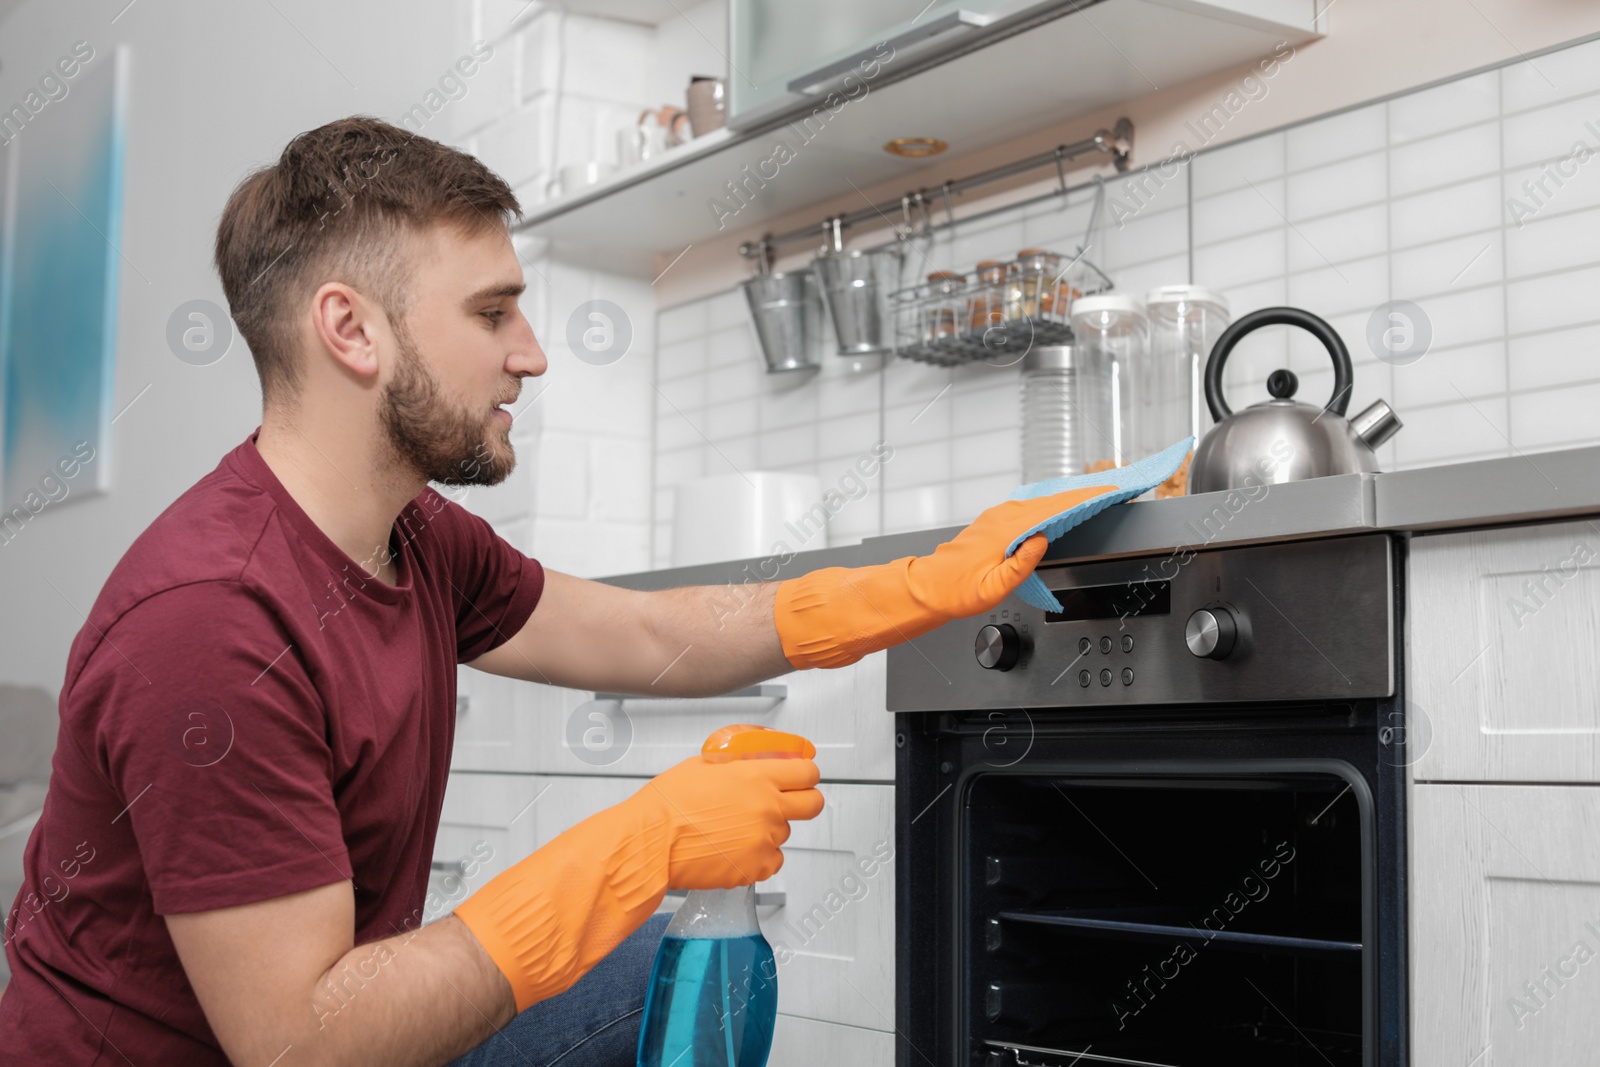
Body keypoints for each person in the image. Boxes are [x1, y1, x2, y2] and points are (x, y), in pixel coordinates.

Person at [0, 116, 1114, 1067]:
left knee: (668, 970)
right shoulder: (213, 624)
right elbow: (301, 1041)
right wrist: (644, 842)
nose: (530, 354)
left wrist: (916, 585)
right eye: (491, 314)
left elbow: (638, 631)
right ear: (351, 331)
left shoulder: (414, 535)